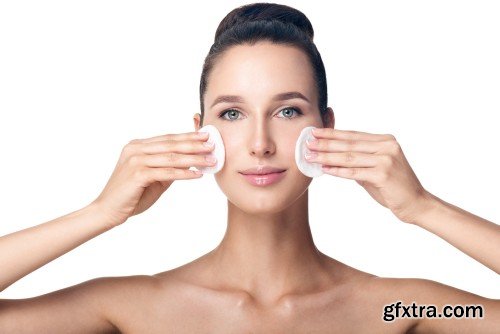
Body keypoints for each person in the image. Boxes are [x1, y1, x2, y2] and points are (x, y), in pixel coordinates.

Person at [0, 2, 499, 333]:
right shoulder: (132, 308)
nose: (260, 144)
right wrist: (100, 213)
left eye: (288, 111)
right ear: (200, 131)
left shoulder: (399, 309)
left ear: (326, 125)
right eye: (232, 113)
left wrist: (423, 208)